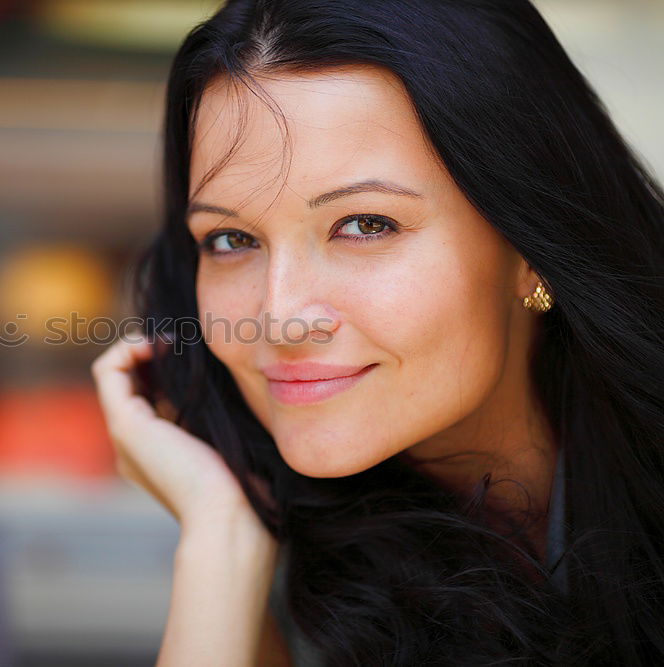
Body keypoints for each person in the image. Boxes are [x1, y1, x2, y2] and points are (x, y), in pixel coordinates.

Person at [90, 0, 664, 664]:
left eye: (365, 225)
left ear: (530, 242)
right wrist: (220, 540)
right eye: (231, 238)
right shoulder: (281, 545)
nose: (279, 316)